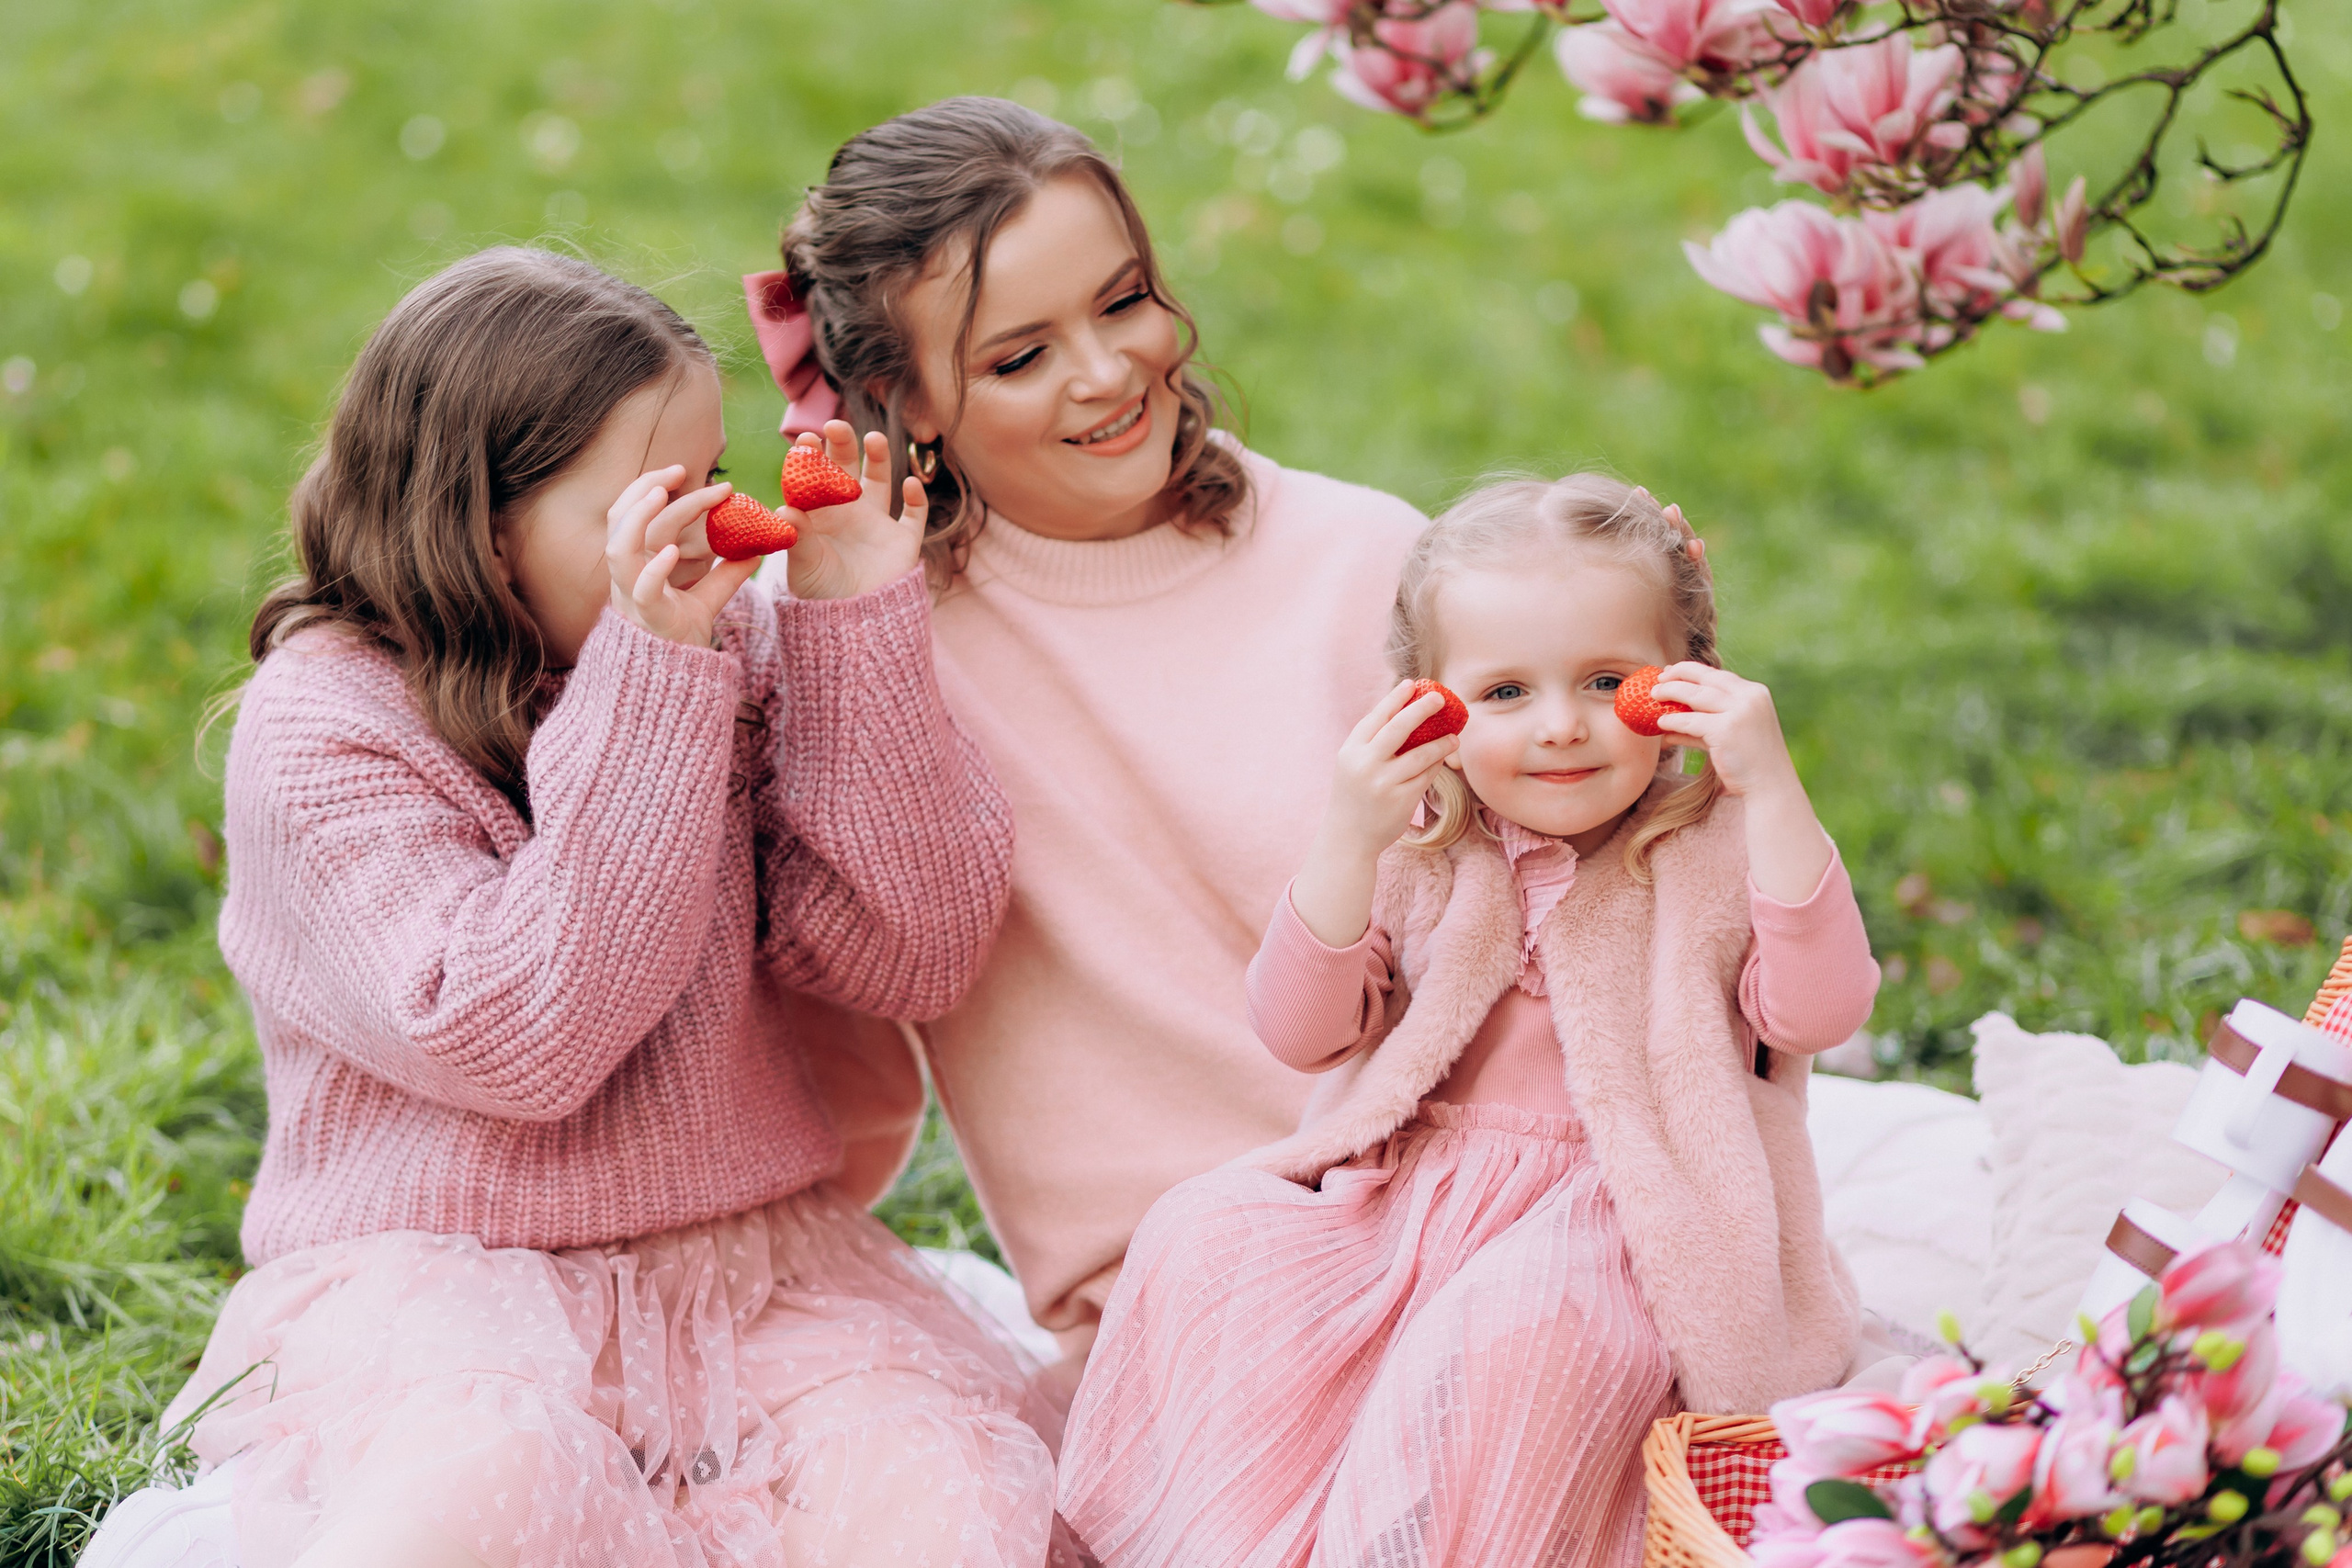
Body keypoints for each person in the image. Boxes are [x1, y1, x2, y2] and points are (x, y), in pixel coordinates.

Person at [149, 247, 1055, 1568]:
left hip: (751, 1276)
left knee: (939, 1494)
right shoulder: (324, 728)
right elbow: (522, 1034)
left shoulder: (714, 644)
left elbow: (905, 950)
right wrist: (653, 677)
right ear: (477, 516)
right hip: (451, 1283)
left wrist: (853, 620)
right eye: (655, 500)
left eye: (714, 477)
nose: (713, 532)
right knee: (490, 1486)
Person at [1056, 475, 1881, 1567]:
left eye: (1605, 680)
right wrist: (1350, 838)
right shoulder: (1424, 850)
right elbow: (1301, 1033)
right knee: (1209, 1237)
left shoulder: (1711, 850)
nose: (1559, 727)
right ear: (1429, 707)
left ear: (1683, 684)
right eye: (1503, 694)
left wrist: (1772, 792)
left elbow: (1819, 1010)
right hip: (1409, 1201)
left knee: (1510, 1338)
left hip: (1621, 1210)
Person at [749, 96, 1427, 1371]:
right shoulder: (853, 638)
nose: (1109, 373)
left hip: (1464, 1222)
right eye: (1019, 357)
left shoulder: (1370, 564)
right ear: (906, 398)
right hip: (1184, 1313)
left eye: (1123, 302)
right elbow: (842, 1010)